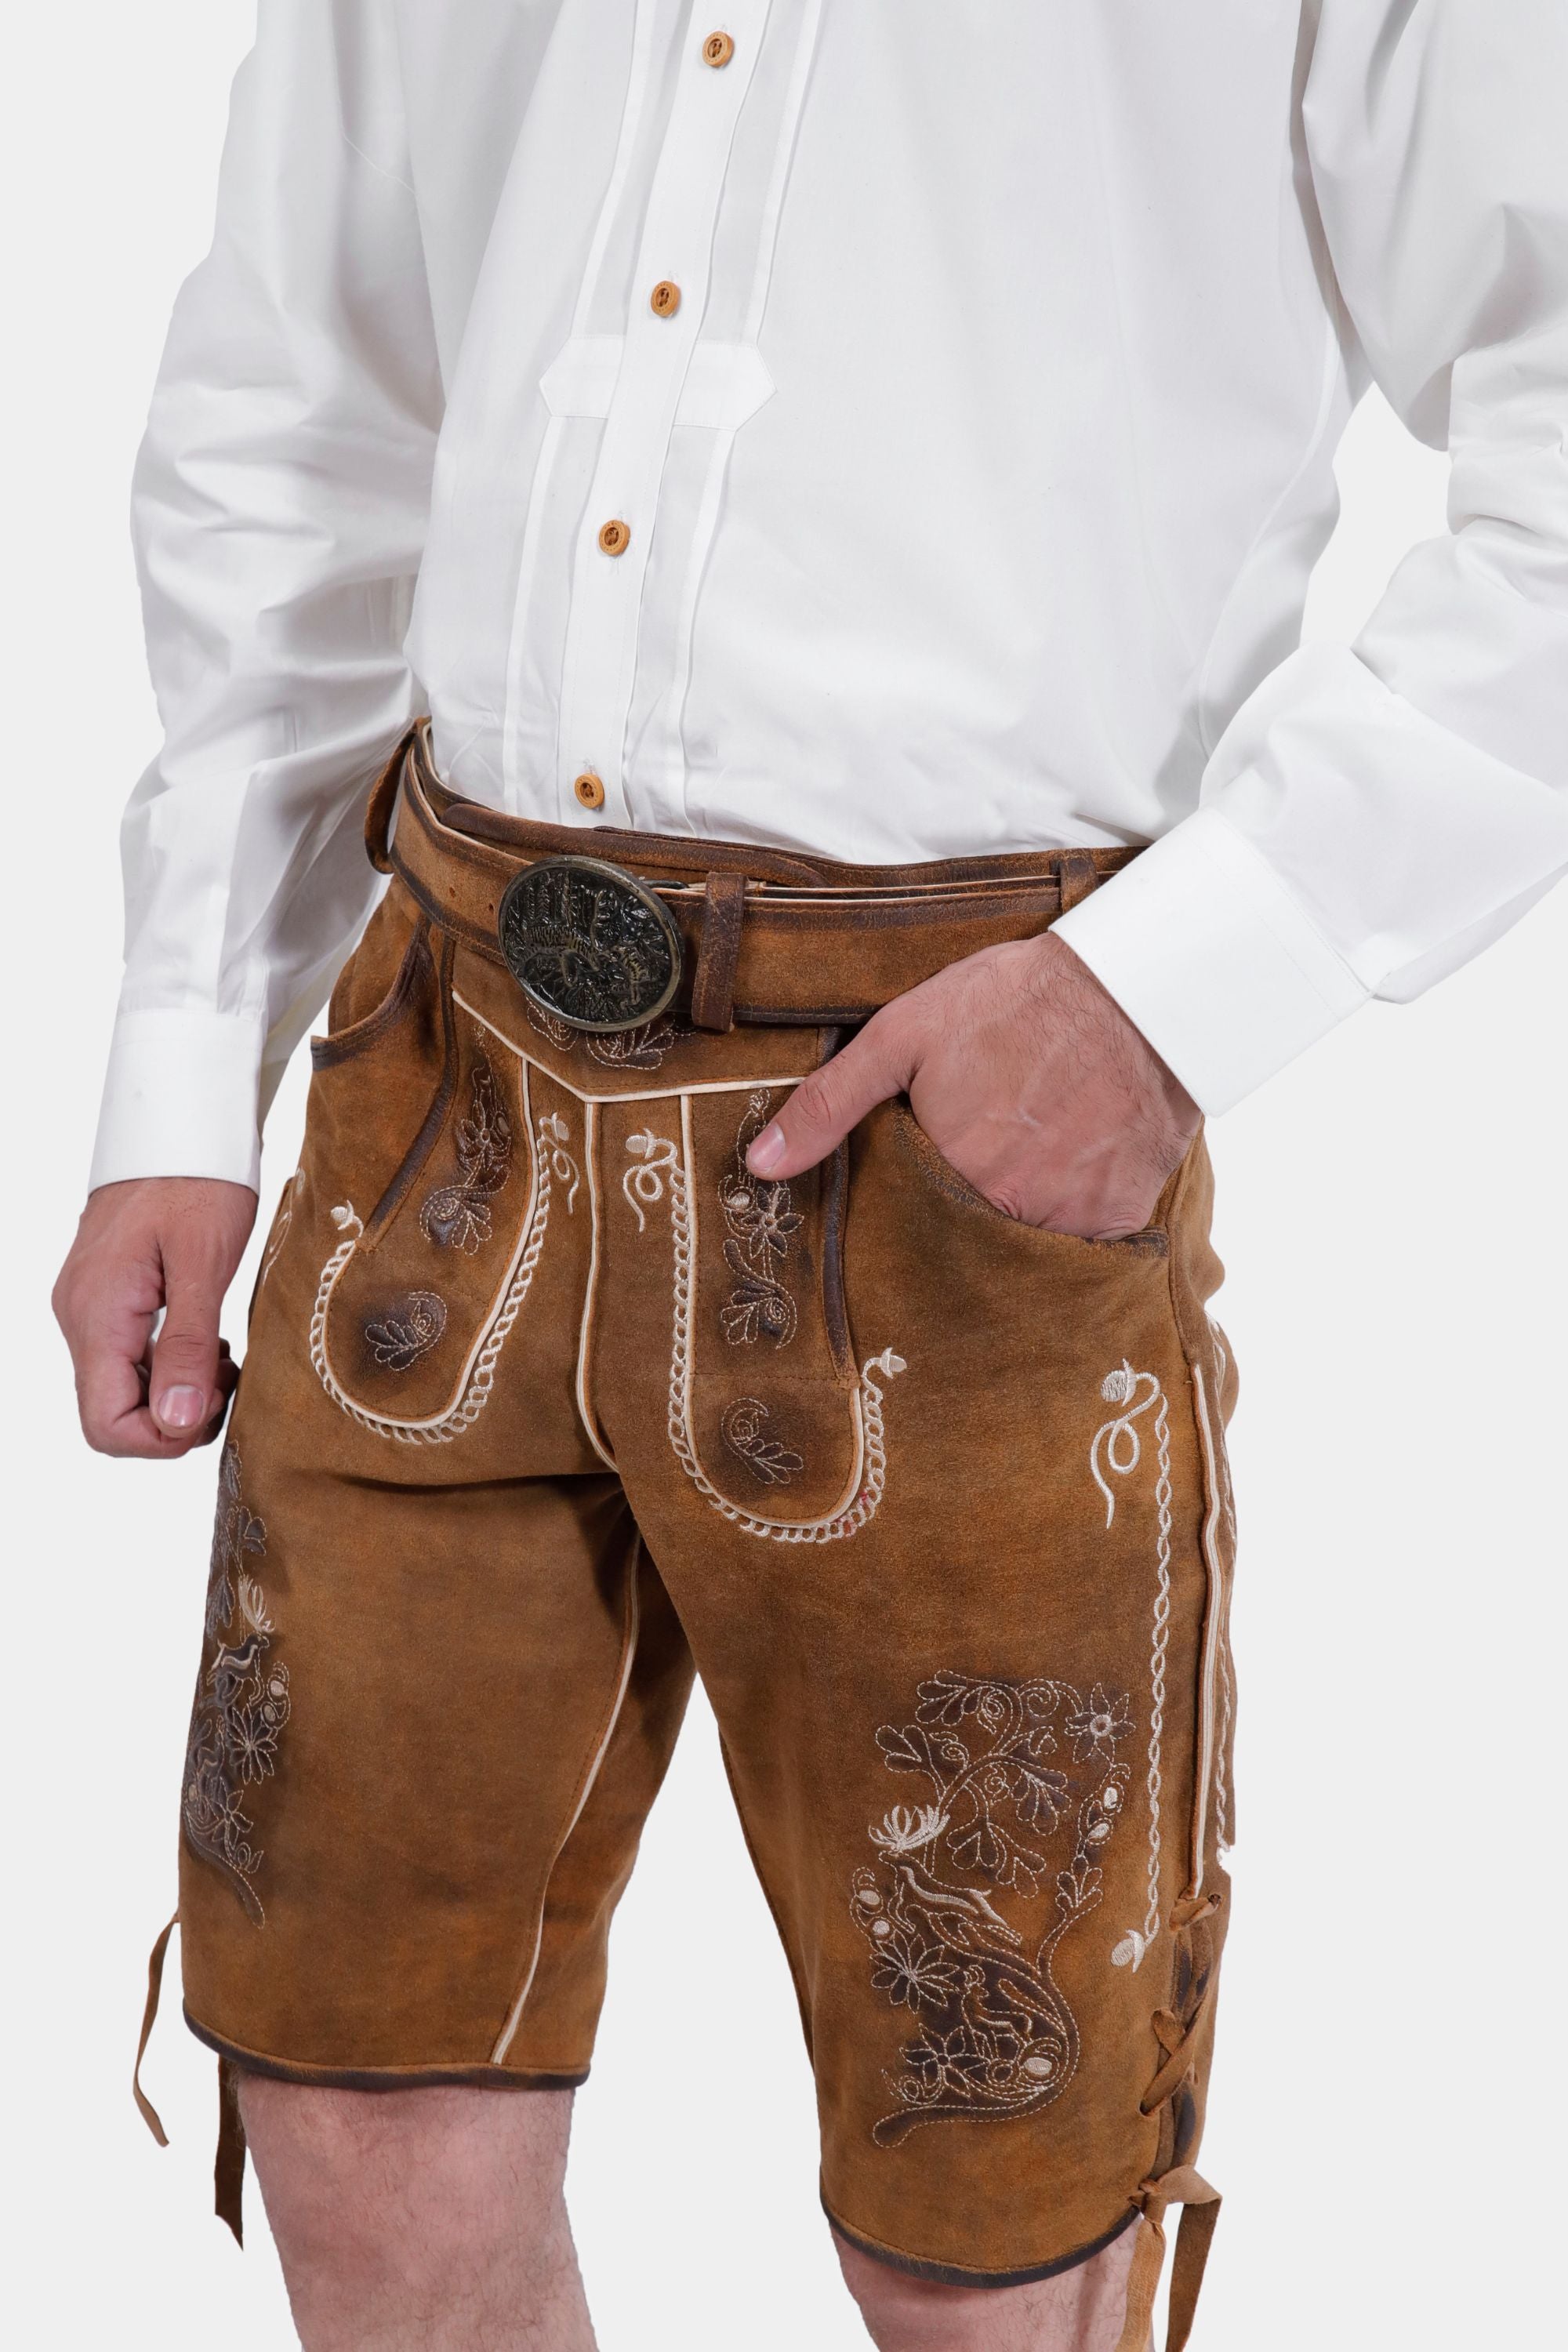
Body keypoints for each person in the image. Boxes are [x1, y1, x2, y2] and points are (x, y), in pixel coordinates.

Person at [52, 7, 1568, 2348]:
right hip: (440, 1090)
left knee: (987, 2208)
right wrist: (183, 1053)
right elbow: (305, 379)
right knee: (348, 2081)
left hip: (952, 1131)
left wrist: (1178, 987)